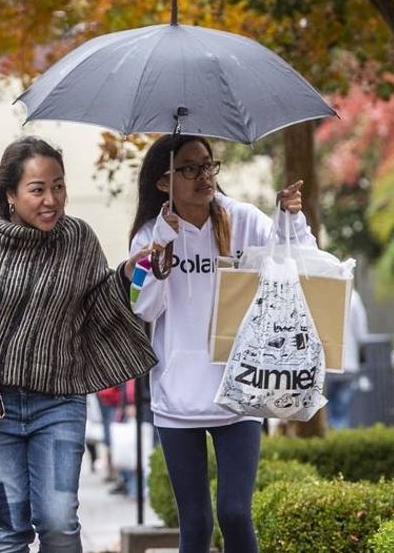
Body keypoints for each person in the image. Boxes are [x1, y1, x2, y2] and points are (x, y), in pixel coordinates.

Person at [0, 136, 158, 553]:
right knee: (8, 531)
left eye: (58, 187)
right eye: (38, 189)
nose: (51, 200)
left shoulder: (77, 238)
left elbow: (98, 304)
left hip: (59, 402)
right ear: (11, 193)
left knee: (59, 522)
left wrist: (128, 272)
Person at [128, 134, 315, 553]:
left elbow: (298, 263)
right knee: (195, 523)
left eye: (208, 165)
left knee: (234, 512)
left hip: (240, 389)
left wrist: (290, 220)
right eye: (189, 168)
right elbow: (143, 306)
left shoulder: (242, 219)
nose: (204, 176)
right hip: (177, 399)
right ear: (163, 182)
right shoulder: (149, 235)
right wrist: (161, 245)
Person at [325, 290, 370, 430]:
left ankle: (329, 434)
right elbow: (362, 334)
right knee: (341, 409)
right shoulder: (353, 296)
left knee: (325, 408)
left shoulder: (323, 292)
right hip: (348, 362)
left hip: (326, 363)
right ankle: (340, 435)